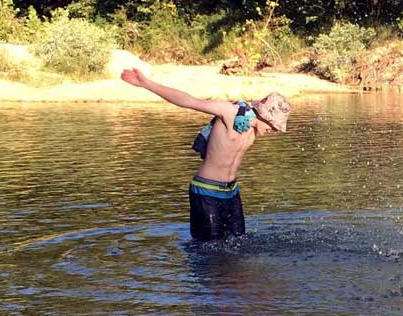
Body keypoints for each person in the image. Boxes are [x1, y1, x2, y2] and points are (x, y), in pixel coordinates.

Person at [120, 68, 291, 242]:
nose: (274, 130)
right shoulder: (230, 113)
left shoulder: (253, 129)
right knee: (208, 250)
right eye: (274, 125)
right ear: (263, 114)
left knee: (240, 245)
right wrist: (146, 83)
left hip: (231, 192)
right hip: (206, 191)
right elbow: (188, 101)